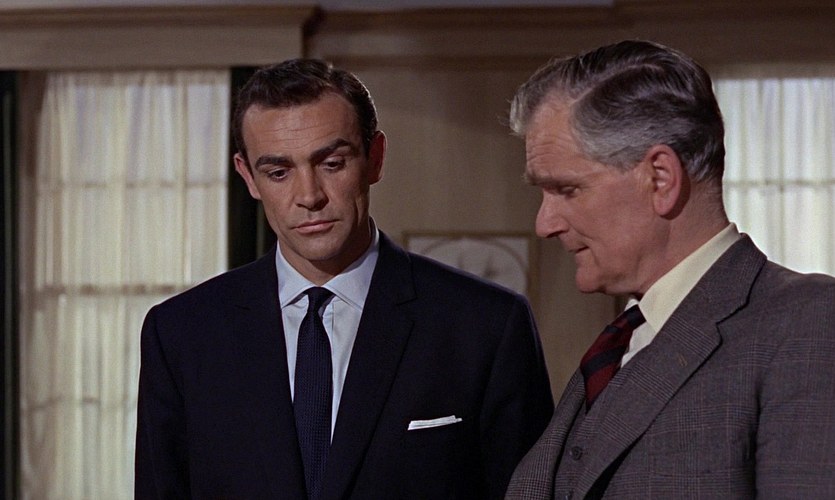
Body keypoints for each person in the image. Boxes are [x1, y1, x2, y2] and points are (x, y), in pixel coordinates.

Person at [134, 58, 553, 499]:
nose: (309, 196)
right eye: (278, 172)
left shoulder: (485, 325)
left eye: (332, 163)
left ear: (375, 158)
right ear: (248, 177)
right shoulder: (182, 333)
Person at [504, 40, 835, 499]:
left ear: (660, 178)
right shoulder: (621, 342)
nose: (545, 224)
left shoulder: (809, 324)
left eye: (567, 190)